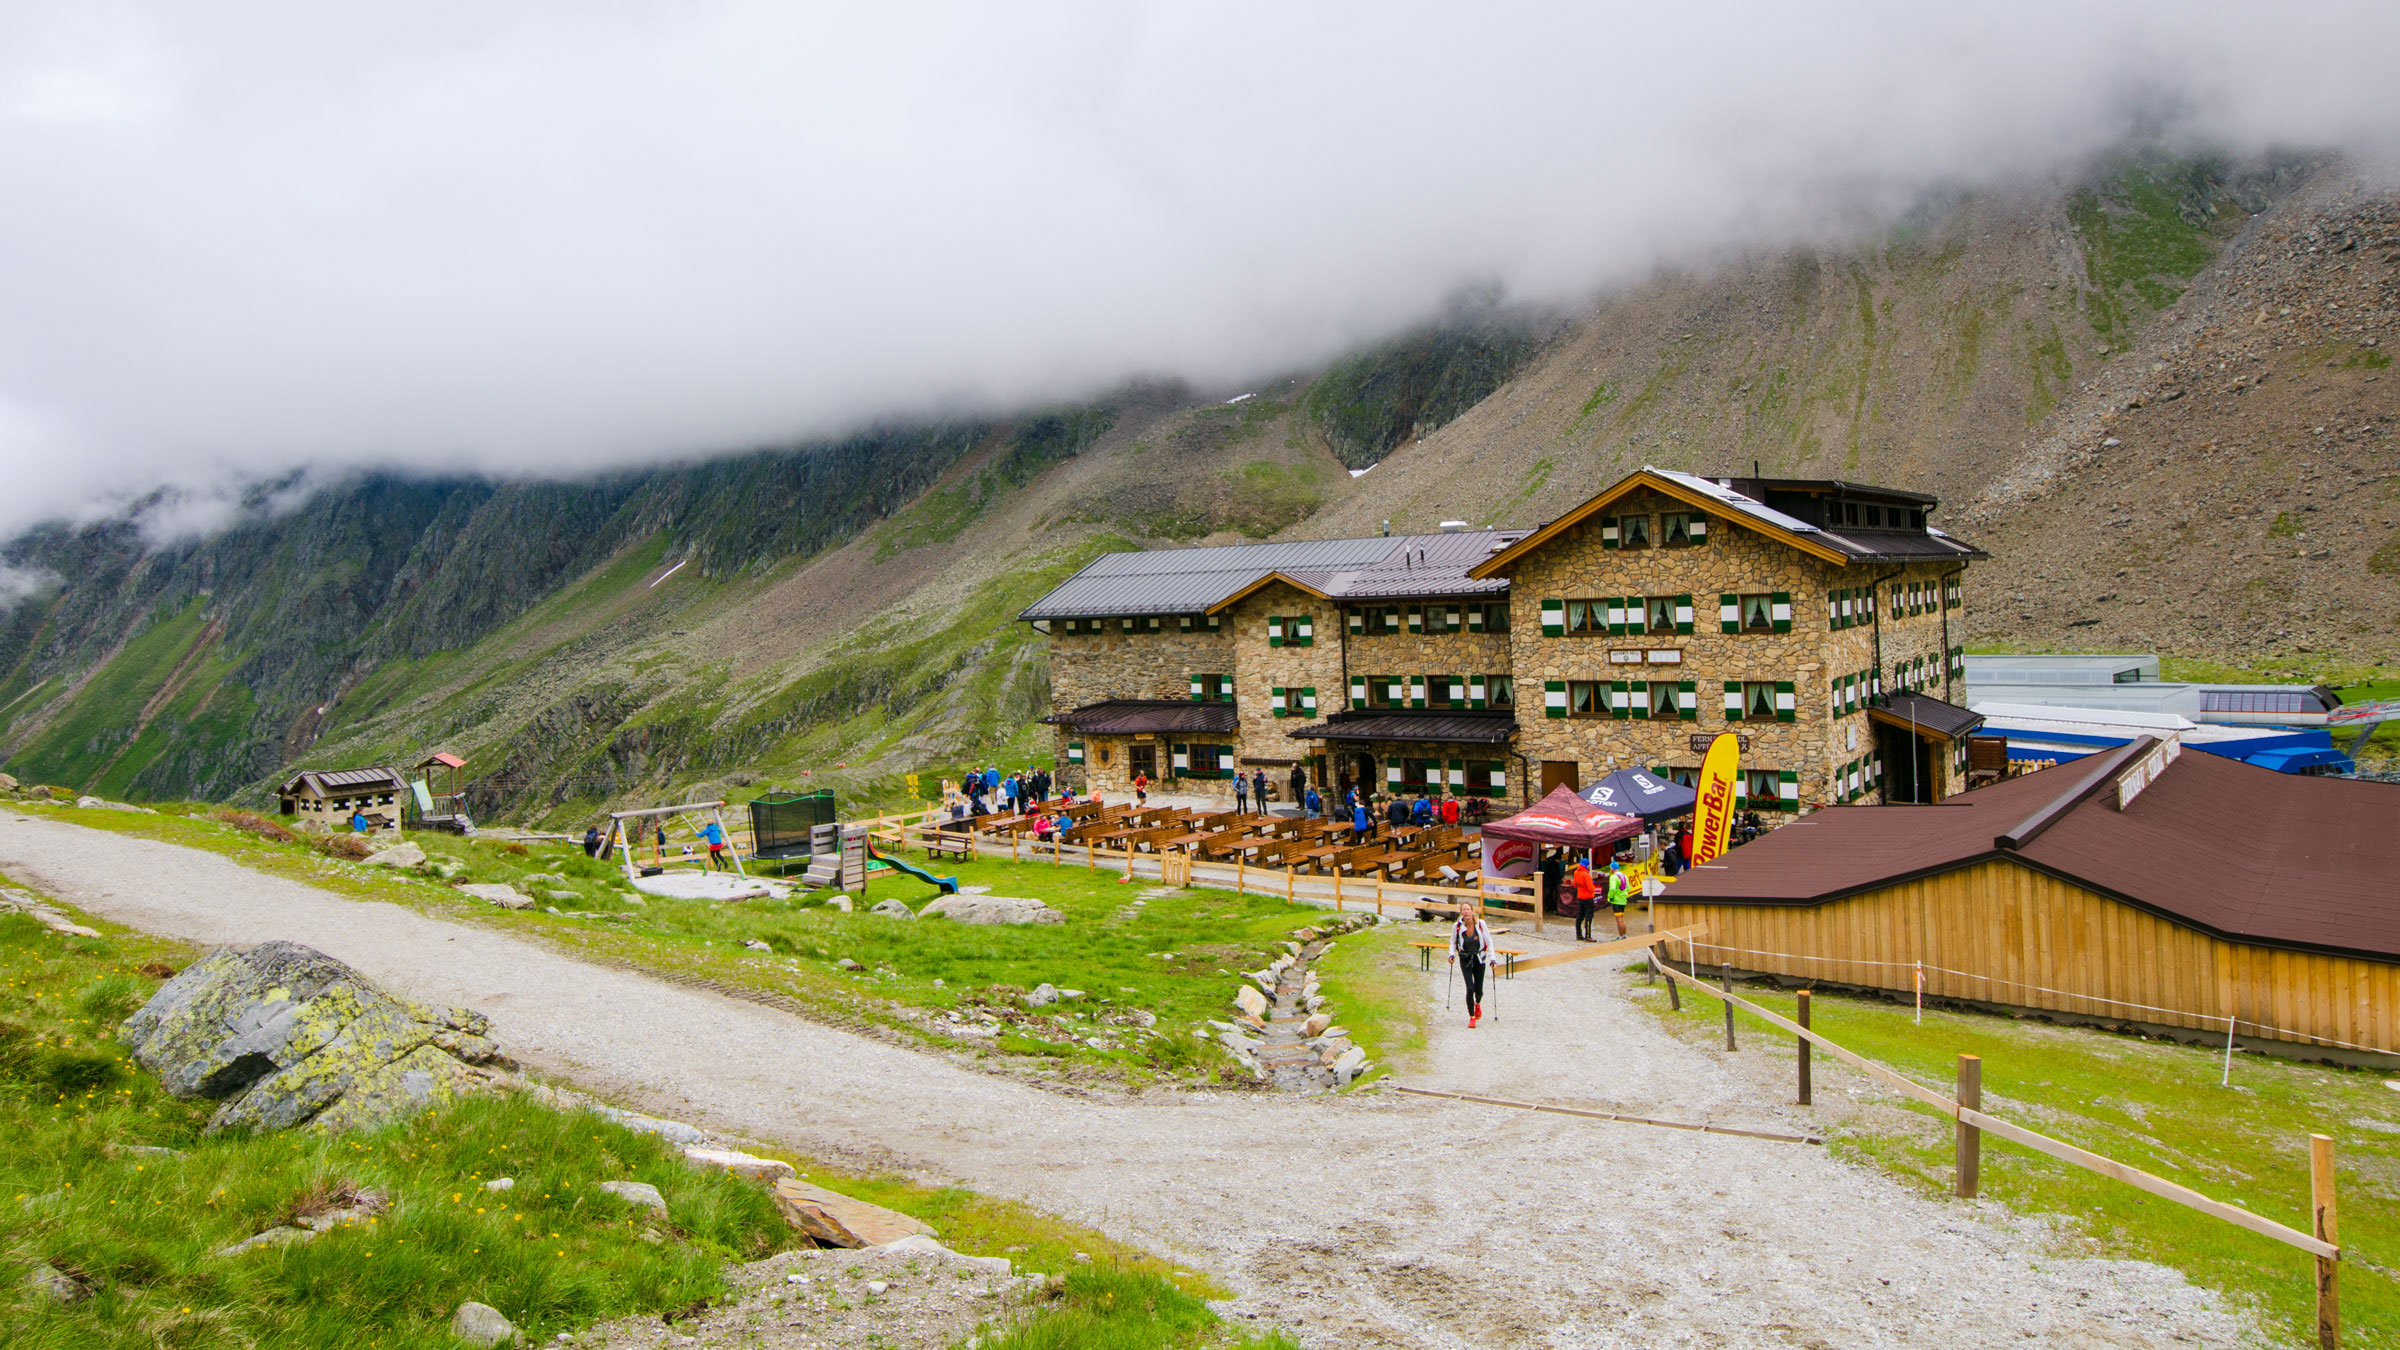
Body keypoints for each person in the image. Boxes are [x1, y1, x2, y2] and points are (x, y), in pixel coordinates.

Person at [1448, 901, 1498, 1028]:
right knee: (1470, 988)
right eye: (1463, 910)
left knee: (1479, 990)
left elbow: (1489, 941)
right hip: (1465, 958)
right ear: (1461, 912)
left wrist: (1493, 959)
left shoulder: (1481, 924)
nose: (1466, 912)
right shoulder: (1457, 926)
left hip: (1479, 958)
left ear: (1472, 911)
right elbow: (1453, 941)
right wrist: (1451, 954)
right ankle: (1472, 1017)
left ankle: (1478, 1003)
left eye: (1468, 909)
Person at [1570, 855, 1597, 941]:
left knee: (1580, 916)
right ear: (1586, 865)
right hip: (1588, 898)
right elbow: (1591, 889)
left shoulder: (1576, 872)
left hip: (1580, 897)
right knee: (1588, 917)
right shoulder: (1586, 875)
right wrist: (1594, 886)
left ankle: (1579, 934)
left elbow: (1574, 884)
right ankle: (1588, 936)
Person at [1605, 860, 1632, 939]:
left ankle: (1621, 936)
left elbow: (1612, 888)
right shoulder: (1624, 876)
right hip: (1623, 900)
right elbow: (1628, 888)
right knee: (1622, 918)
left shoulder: (1613, 877)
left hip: (1616, 900)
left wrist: (1610, 897)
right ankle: (1624, 935)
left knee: (1618, 919)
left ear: (1612, 869)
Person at [1540, 852, 1565, 918]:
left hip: (1547, 882)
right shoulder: (1555, 865)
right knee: (1549, 895)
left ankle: (1549, 908)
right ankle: (1551, 908)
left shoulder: (1550, 863)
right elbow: (1556, 874)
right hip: (1549, 882)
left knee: (1549, 895)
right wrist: (1561, 878)